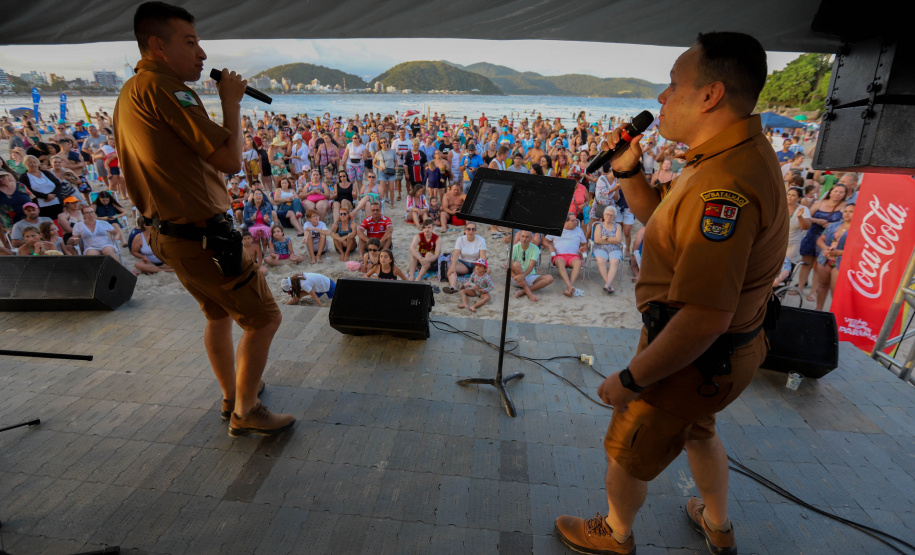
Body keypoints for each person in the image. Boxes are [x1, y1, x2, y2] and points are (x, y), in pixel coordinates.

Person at [554, 33, 787, 555]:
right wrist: (630, 171)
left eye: (673, 85)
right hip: (732, 351)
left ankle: (614, 532)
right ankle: (718, 524)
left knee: (628, 447)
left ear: (710, 96)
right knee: (699, 431)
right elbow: (666, 221)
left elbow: (704, 315)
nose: (660, 98)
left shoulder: (722, 184)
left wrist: (632, 379)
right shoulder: (733, 153)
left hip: (692, 356)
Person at [114, 2, 293, 437]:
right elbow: (231, 159)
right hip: (199, 238)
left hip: (168, 233)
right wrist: (231, 103)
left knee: (217, 314)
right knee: (264, 318)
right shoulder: (167, 89)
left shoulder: (131, 90)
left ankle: (234, 393)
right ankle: (246, 412)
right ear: (158, 46)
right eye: (191, 42)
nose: (203, 55)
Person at [797, 183, 847, 302]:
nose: (837, 194)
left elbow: (845, 222)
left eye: (841, 192)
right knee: (805, 264)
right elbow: (807, 216)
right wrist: (817, 220)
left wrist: (833, 225)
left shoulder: (844, 206)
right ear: (830, 191)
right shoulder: (819, 203)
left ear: (845, 195)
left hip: (828, 241)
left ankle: (813, 293)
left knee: (818, 268)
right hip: (812, 235)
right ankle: (799, 289)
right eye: (835, 191)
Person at [814, 203, 854, 311]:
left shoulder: (858, 230)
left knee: (835, 290)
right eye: (846, 211)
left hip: (841, 262)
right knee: (822, 285)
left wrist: (838, 252)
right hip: (825, 259)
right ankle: (818, 310)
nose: (847, 214)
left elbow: (856, 251)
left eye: (851, 212)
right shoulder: (834, 225)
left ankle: (834, 313)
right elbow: (820, 239)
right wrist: (824, 248)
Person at [543, 213, 588, 298]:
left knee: (578, 263)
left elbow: (585, 244)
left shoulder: (579, 230)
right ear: (565, 222)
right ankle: (570, 286)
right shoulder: (556, 229)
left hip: (573, 256)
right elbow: (544, 241)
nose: (576, 222)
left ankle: (569, 287)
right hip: (560, 256)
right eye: (573, 220)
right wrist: (550, 246)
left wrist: (583, 248)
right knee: (560, 262)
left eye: (576, 220)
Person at [443, 222, 487, 294]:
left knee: (487, 270)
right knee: (450, 267)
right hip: (463, 263)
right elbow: (456, 254)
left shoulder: (481, 240)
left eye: (473, 229)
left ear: (476, 231)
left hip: (476, 263)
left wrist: (479, 268)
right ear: (465, 230)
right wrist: (453, 266)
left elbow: (483, 257)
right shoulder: (460, 239)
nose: (471, 231)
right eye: (469, 229)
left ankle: (467, 284)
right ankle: (453, 287)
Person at [510, 229, 553, 301]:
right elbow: (508, 266)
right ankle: (528, 292)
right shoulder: (514, 247)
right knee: (516, 264)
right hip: (515, 278)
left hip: (528, 275)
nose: (524, 239)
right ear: (520, 237)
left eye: (527, 237)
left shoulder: (535, 248)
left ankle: (523, 292)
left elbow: (531, 266)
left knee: (550, 278)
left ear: (531, 238)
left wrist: (522, 276)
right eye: (522, 236)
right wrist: (516, 278)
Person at [592, 205, 624, 294]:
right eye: (607, 214)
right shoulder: (599, 226)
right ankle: (609, 284)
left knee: (614, 262)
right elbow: (597, 240)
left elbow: (618, 240)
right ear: (603, 214)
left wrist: (605, 238)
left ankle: (607, 284)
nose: (609, 216)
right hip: (600, 247)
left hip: (615, 248)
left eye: (611, 215)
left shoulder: (618, 226)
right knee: (601, 260)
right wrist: (611, 240)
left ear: (615, 216)